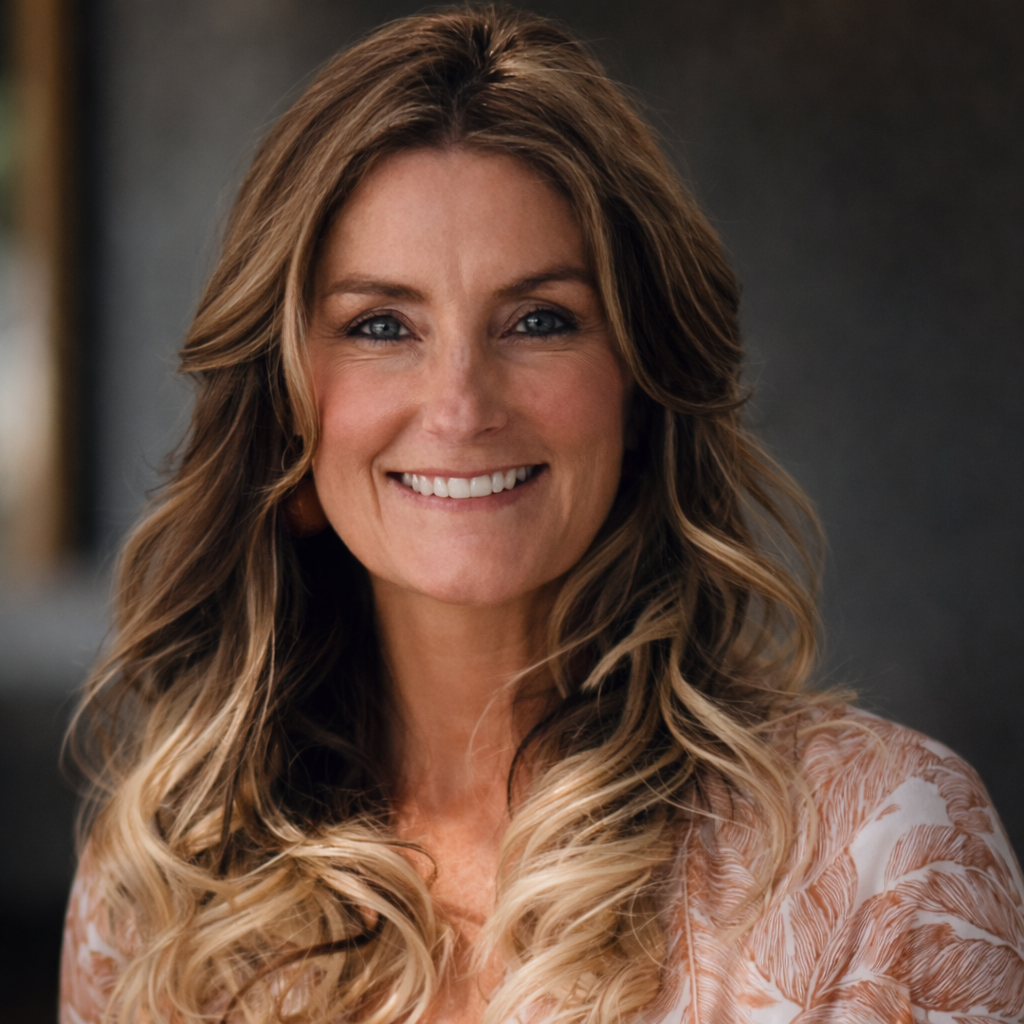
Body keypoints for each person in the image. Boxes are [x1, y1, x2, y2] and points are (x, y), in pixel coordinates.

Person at [59, 7, 1024, 1024]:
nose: (462, 405)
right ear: (287, 410)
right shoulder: (164, 887)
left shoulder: (883, 856)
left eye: (539, 320)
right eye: (381, 325)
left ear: (641, 389)